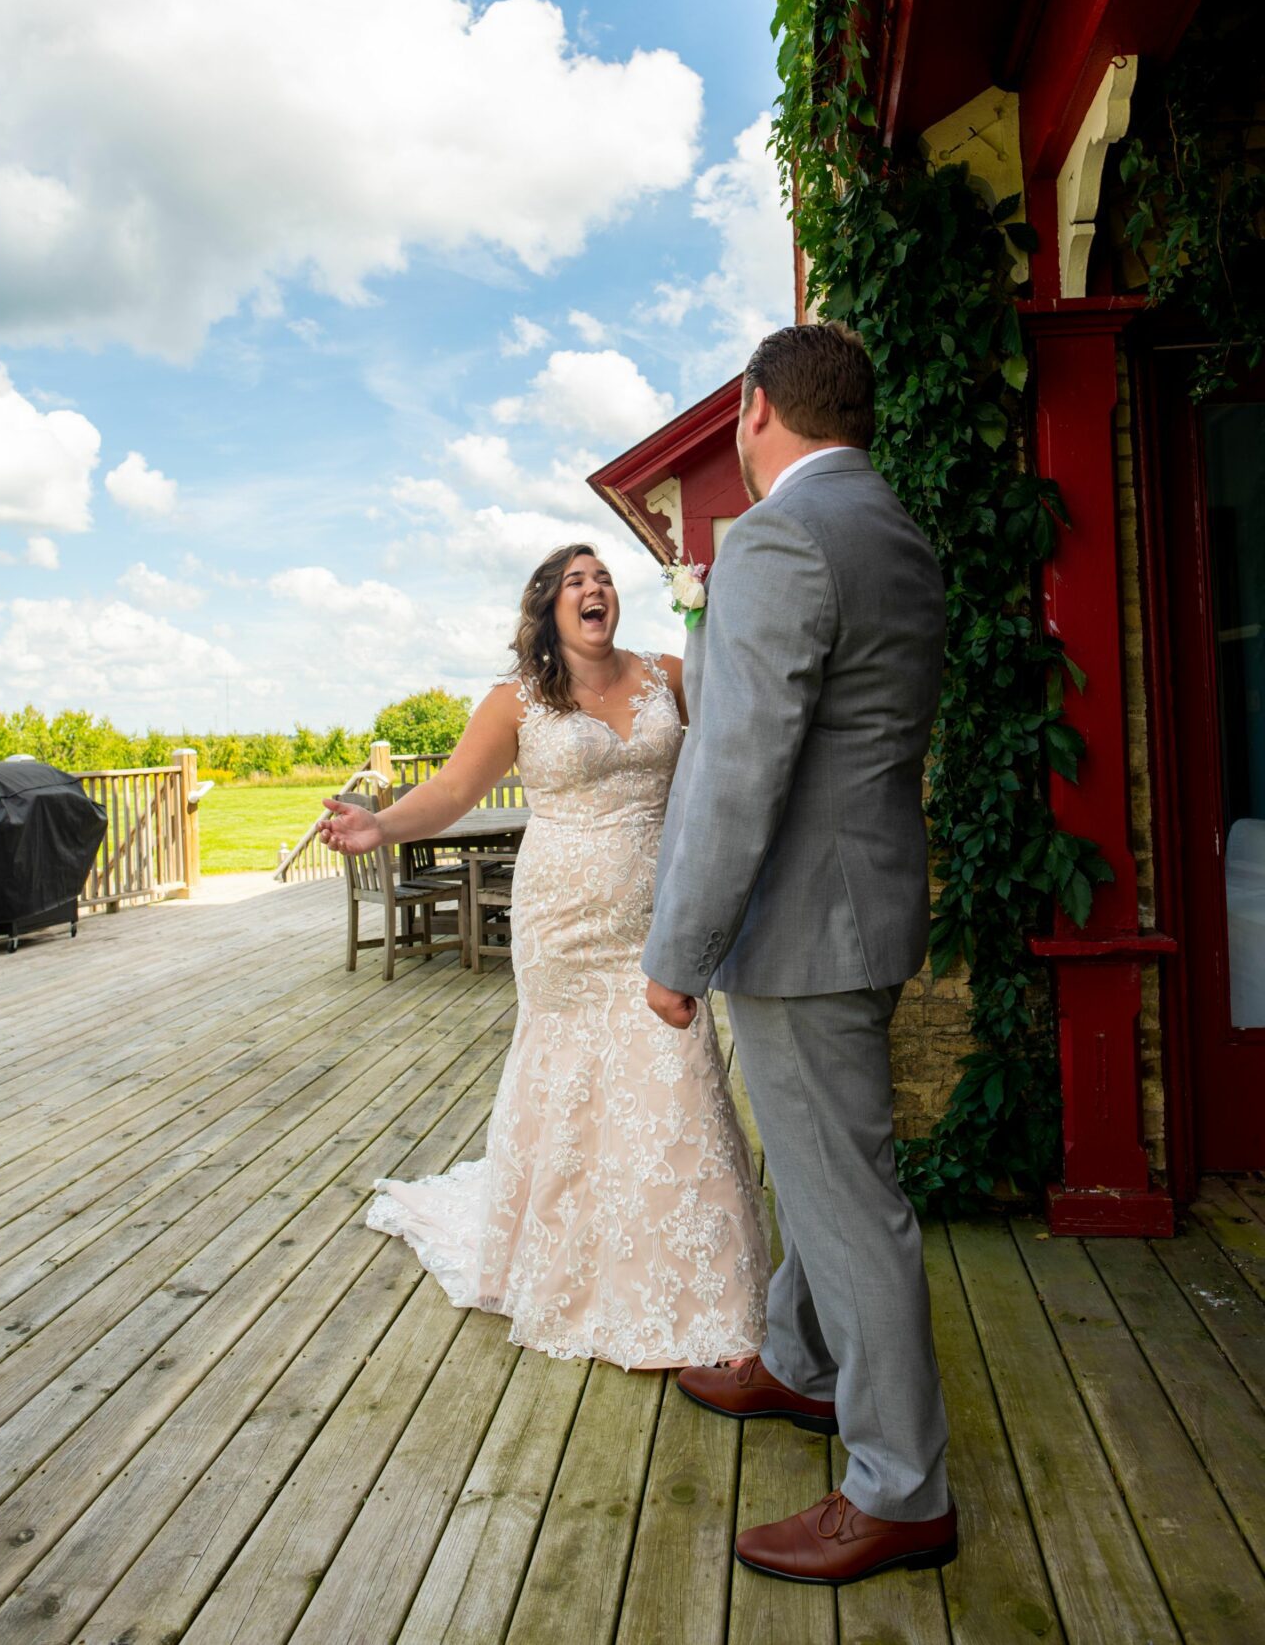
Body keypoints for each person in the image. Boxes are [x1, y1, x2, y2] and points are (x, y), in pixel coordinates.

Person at [642, 322, 958, 1587]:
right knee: (828, 1172)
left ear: (755, 410)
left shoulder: (782, 533)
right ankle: (800, 1360)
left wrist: (677, 946)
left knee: (847, 1201)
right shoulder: (893, 528)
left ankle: (899, 1486)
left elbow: (737, 765)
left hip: (800, 931)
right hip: (862, 908)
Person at [317, 544, 769, 1370]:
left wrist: (712, 616)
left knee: (676, 1076)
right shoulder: (517, 701)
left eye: (603, 578)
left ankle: (698, 1284)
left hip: (657, 919)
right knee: (576, 1083)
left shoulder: (668, 673)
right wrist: (377, 824)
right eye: (575, 582)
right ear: (549, 608)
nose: (595, 589)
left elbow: (743, 730)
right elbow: (454, 791)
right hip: (561, 923)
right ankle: (573, 1264)